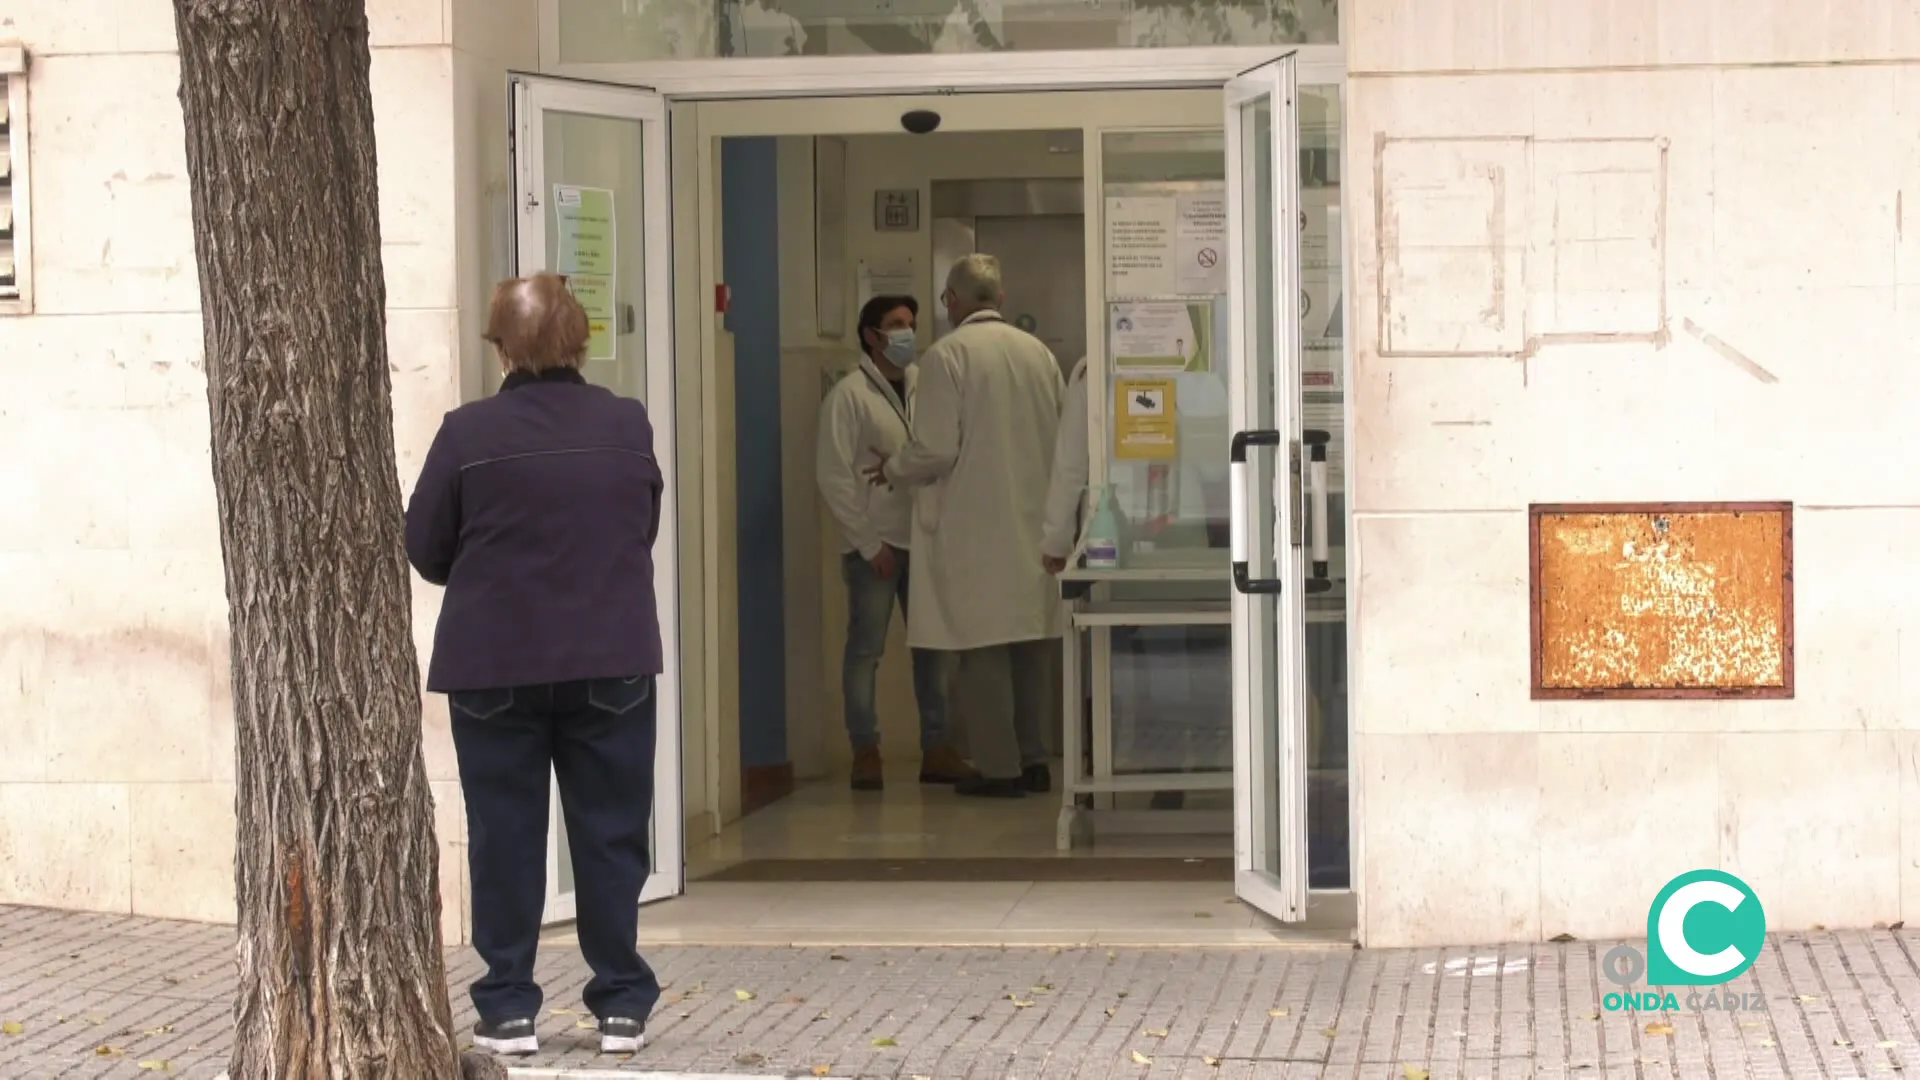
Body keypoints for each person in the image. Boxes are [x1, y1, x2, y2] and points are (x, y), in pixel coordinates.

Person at [405, 274, 662, 1059]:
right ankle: (620, 1001)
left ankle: (509, 1005)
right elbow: (639, 524)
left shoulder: (465, 433)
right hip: (608, 656)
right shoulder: (626, 425)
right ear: (582, 341)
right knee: (611, 832)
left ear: (499, 348)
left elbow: (425, 547)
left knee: (505, 835)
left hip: (495, 662)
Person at [867, 254, 1065, 798]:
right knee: (1031, 645)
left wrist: (893, 467)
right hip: (1036, 521)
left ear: (951, 302)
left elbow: (934, 448)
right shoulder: (1040, 355)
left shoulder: (945, 357)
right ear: (999, 300)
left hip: (973, 527)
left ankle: (999, 770)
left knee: (981, 651)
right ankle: (1034, 760)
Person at [816, 294, 968, 791]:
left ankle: (938, 747)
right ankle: (865, 749)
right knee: (865, 651)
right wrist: (867, 544)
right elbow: (834, 477)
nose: (907, 333)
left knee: (934, 649)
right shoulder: (849, 396)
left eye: (911, 323)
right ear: (870, 335)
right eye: (896, 325)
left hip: (926, 538)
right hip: (875, 547)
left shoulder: (929, 385)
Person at [1041, 355, 1090, 574]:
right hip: (1188, 519)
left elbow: (1071, 464)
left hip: (1115, 534)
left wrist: (1056, 541)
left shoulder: (1094, 370)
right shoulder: (1199, 359)